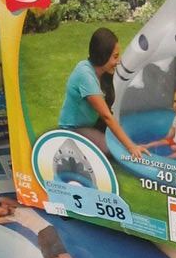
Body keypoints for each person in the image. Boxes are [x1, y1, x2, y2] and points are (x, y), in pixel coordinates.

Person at [58, 27, 148, 159]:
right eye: (115, 57)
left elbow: (108, 112)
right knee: (110, 149)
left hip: (90, 126)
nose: (119, 61)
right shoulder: (85, 75)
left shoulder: (102, 73)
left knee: (116, 139)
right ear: (102, 56)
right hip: (72, 132)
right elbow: (106, 116)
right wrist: (131, 147)